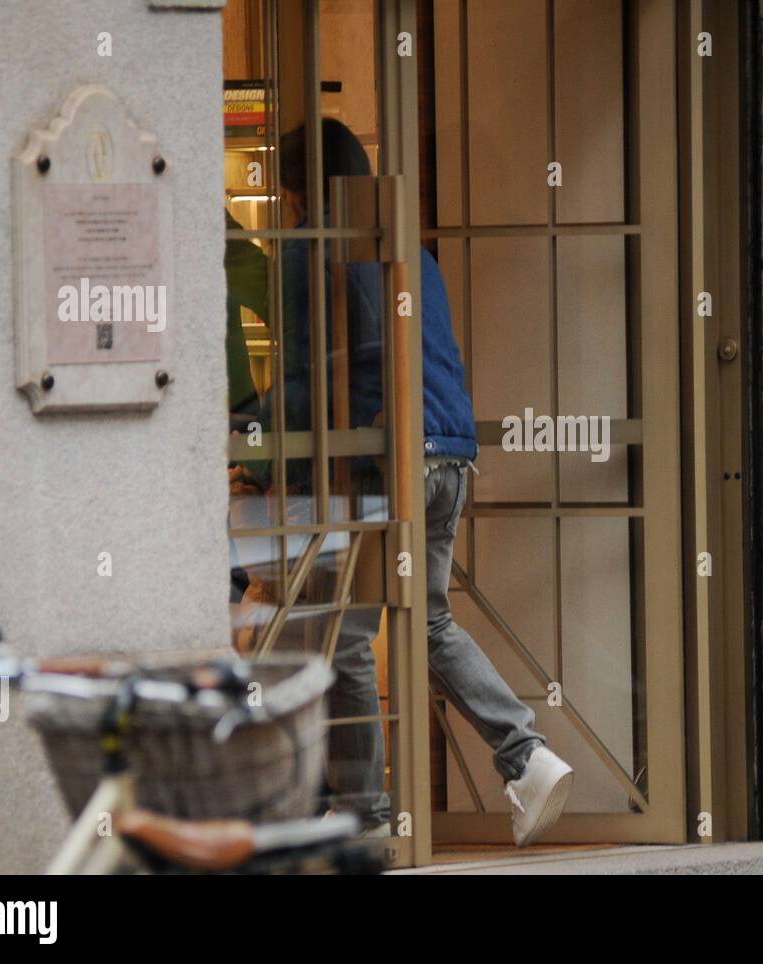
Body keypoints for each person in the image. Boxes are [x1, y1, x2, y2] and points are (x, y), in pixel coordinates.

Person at [276, 118, 573, 847]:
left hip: (385, 459)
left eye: (288, 196)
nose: (289, 211)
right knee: (427, 620)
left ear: (298, 192)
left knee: (343, 639)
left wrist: (263, 459)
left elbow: (307, 381)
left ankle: (365, 815)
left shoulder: (314, 246)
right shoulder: (412, 245)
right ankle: (526, 755)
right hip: (448, 454)